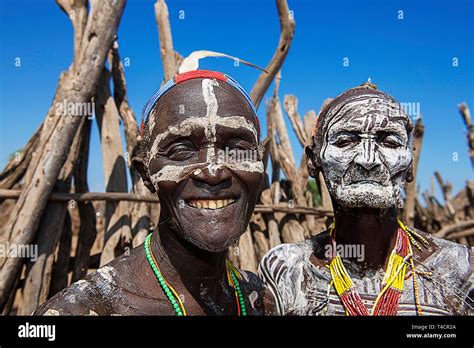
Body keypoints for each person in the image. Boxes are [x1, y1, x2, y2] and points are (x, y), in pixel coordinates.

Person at [34, 70, 272, 315]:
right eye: (181, 151)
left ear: (261, 165)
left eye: (237, 149)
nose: (213, 173)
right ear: (146, 174)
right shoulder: (85, 310)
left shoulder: (260, 299)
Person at [259, 83, 473, 316]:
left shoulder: (461, 270)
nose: (367, 159)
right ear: (314, 161)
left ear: (410, 165)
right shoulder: (288, 270)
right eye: (345, 142)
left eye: (389, 142)